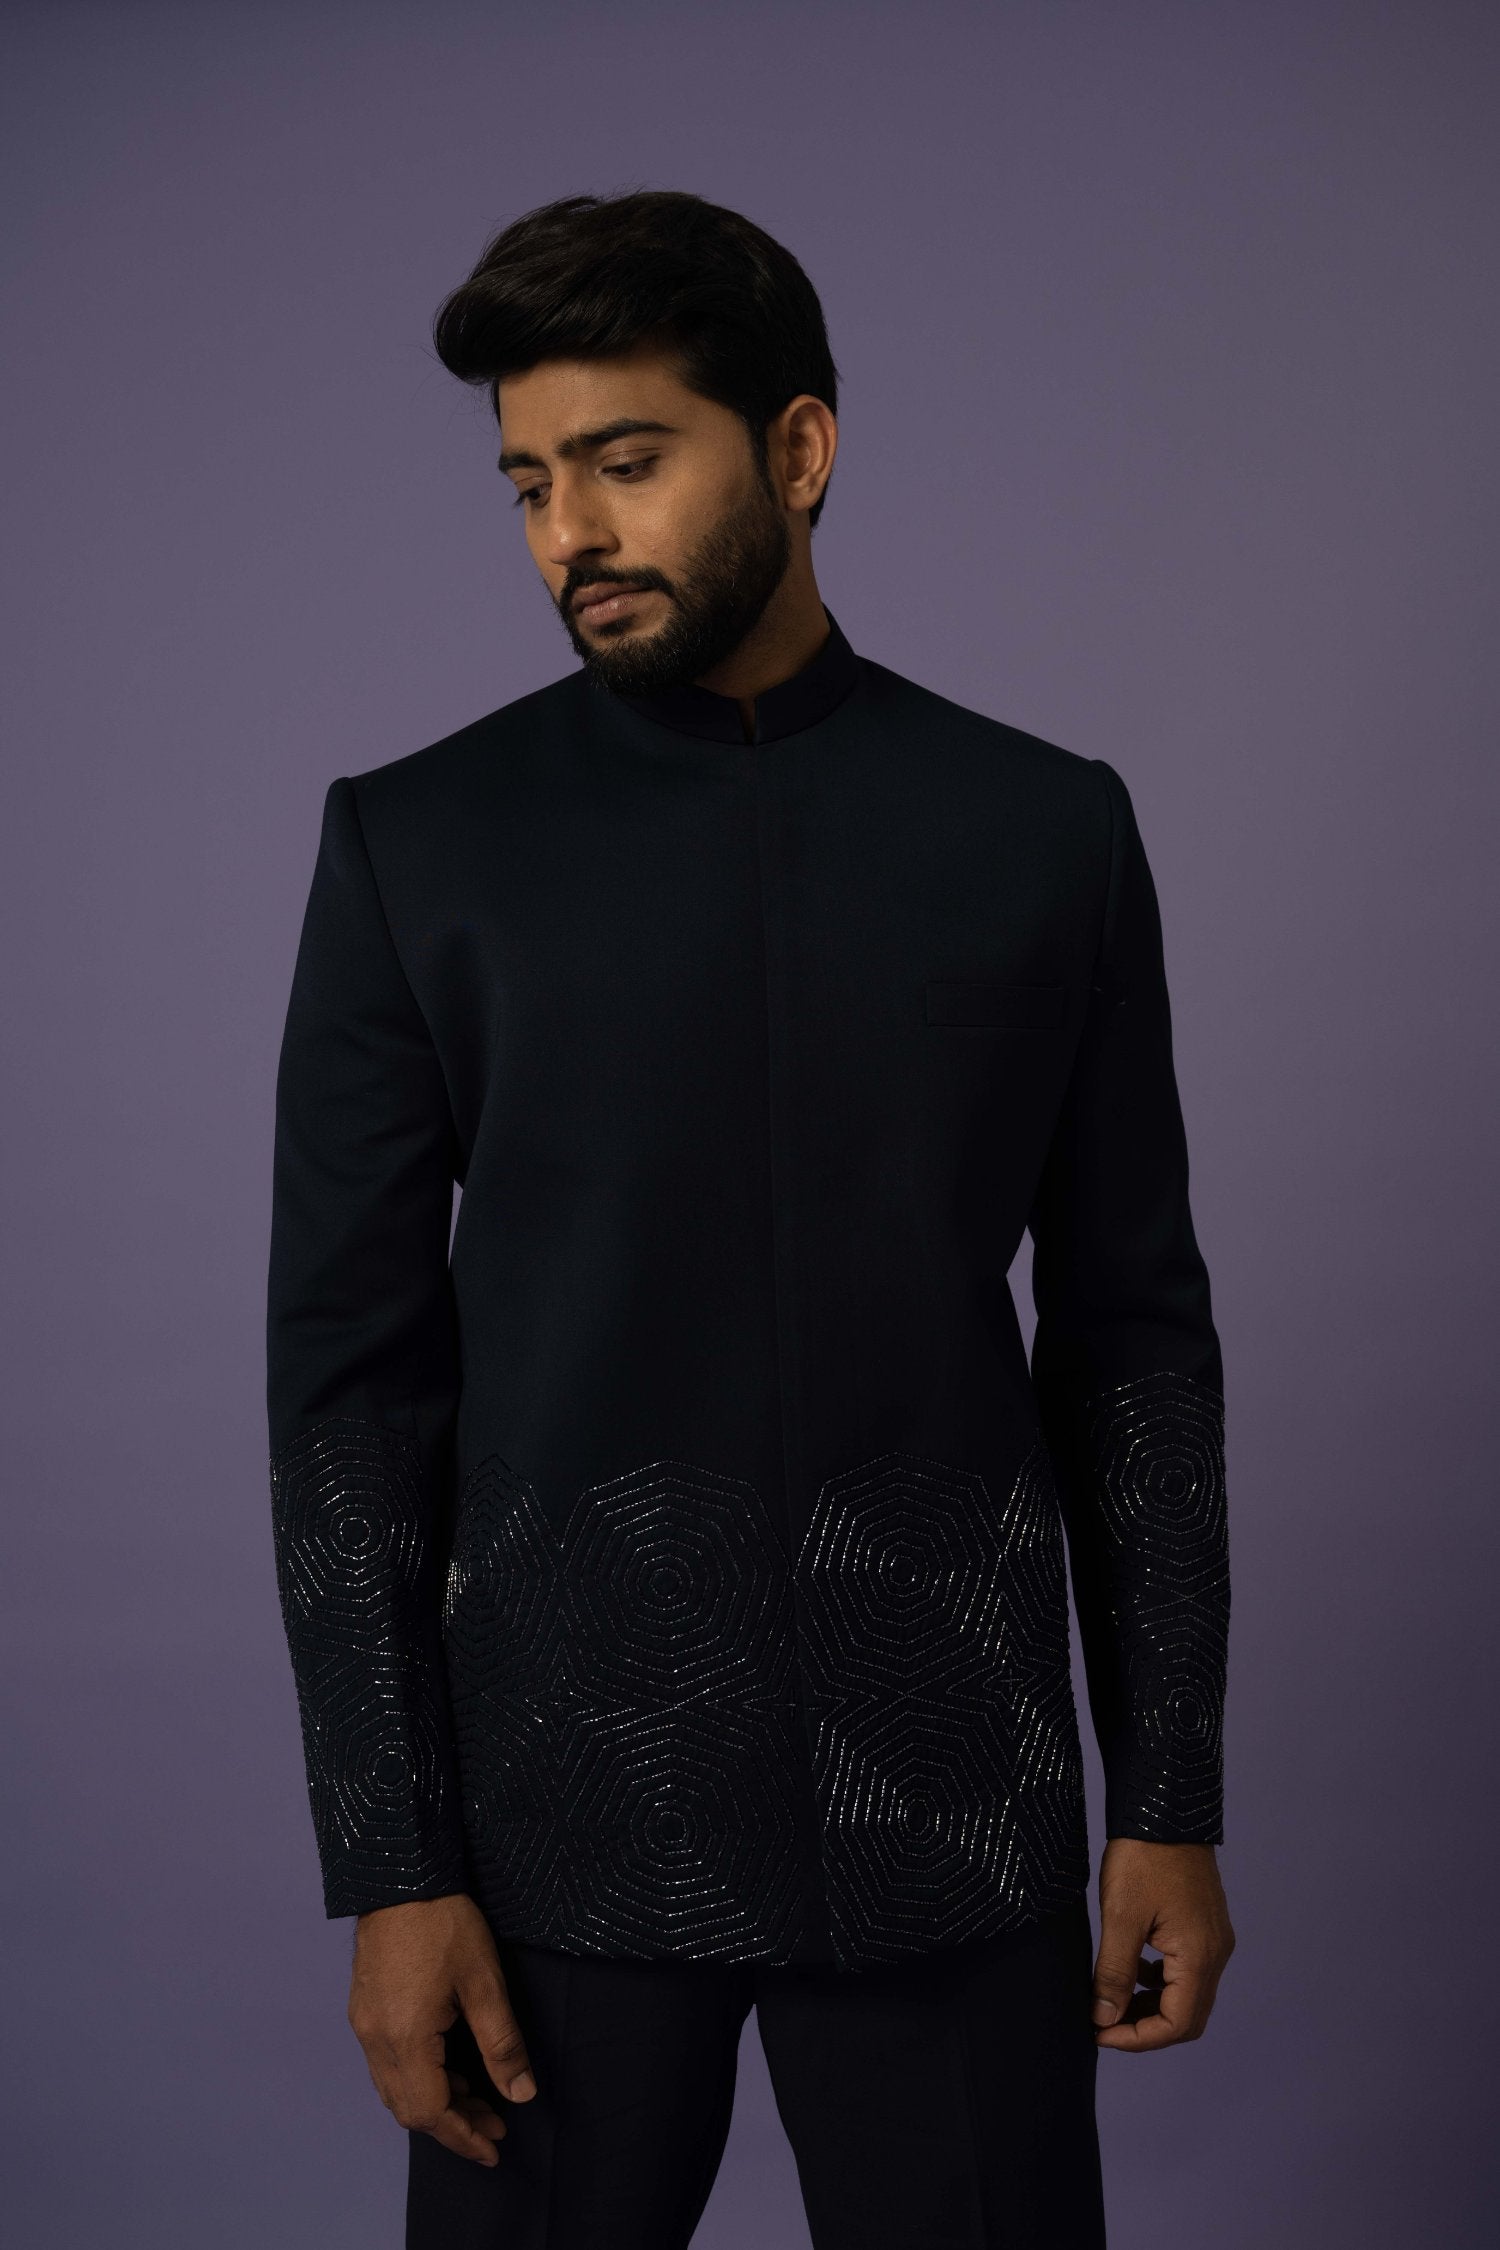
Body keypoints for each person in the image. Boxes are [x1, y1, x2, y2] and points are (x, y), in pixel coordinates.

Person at [265, 188, 1235, 2250]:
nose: (571, 532)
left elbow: (1135, 1341)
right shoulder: (419, 847)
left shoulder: (1042, 831)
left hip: (948, 1803)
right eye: (530, 482)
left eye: (627, 460)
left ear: (798, 449)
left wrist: (1169, 1797)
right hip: (560, 1825)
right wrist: (393, 1864)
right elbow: (352, 1395)